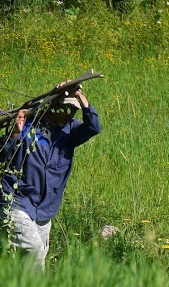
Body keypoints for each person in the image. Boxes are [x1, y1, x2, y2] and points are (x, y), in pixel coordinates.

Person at [1, 81, 101, 269]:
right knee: (35, 251)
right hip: (18, 202)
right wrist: (14, 134)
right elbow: (2, 154)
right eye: (67, 109)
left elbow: (94, 127)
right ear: (54, 107)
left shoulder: (71, 131)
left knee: (30, 262)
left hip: (46, 209)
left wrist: (79, 95)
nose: (70, 114)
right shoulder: (28, 125)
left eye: (74, 110)